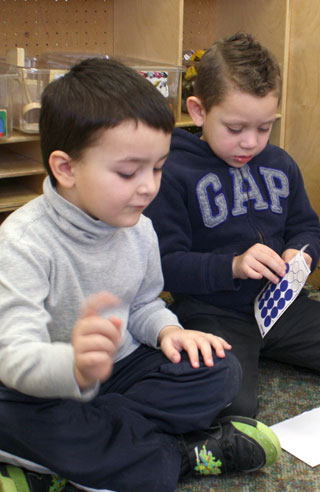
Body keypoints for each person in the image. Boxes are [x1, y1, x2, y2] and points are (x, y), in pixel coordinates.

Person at [0, 58, 281, 492]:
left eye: (158, 167)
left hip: (121, 372)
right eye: (129, 172)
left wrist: (169, 332)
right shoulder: (22, 243)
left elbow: (145, 304)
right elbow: (13, 356)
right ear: (66, 169)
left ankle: (75, 461)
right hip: (45, 383)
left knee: (221, 370)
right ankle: (179, 456)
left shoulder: (140, 227)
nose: (149, 187)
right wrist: (73, 367)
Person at [145, 33, 320, 418]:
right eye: (236, 128)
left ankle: (258, 350)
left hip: (279, 306)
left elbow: (307, 227)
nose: (251, 143)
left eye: (264, 128)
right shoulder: (172, 172)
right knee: (234, 408)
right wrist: (233, 265)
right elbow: (165, 265)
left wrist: (302, 254)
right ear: (198, 111)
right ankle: (242, 357)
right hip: (213, 311)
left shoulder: (280, 163)